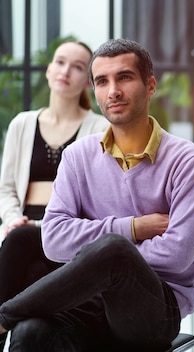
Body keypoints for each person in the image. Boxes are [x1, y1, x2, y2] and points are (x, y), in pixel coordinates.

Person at [0, 38, 194, 351]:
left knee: (113, 251)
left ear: (150, 85)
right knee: (31, 331)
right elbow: (54, 240)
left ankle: (4, 315)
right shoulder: (77, 156)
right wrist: (132, 228)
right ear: (94, 91)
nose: (113, 91)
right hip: (89, 302)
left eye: (124, 77)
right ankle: (13, 321)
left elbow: (177, 256)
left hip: (154, 309)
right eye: (102, 81)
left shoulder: (188, 160)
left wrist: (106, 258)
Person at [0, 39, 109, 349]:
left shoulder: (99, 128)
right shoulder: (22, 123)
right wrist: (12, 219)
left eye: (78, 67)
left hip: (65, 234)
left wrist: (34, 229)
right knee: (30, 268)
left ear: (88, 82)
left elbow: (95, 198)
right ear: (48, 71)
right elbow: (6, 188)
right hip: (18, 230)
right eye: (60, 62)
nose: (66, 71)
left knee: (23, 251)